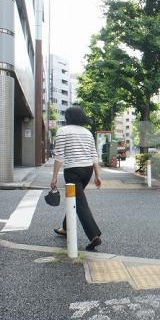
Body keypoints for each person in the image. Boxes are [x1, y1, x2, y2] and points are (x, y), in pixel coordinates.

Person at [50, 106, 103, 251]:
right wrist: (98, 175)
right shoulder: (87, 132)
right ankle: (66, 228)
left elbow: (59, 156)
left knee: (80, 203)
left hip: (72, 170)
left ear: (68, 118)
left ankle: (94, 236)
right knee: (76, 199)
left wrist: (54, 177)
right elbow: (94, 155)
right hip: (88, 171)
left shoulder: (63, 131)